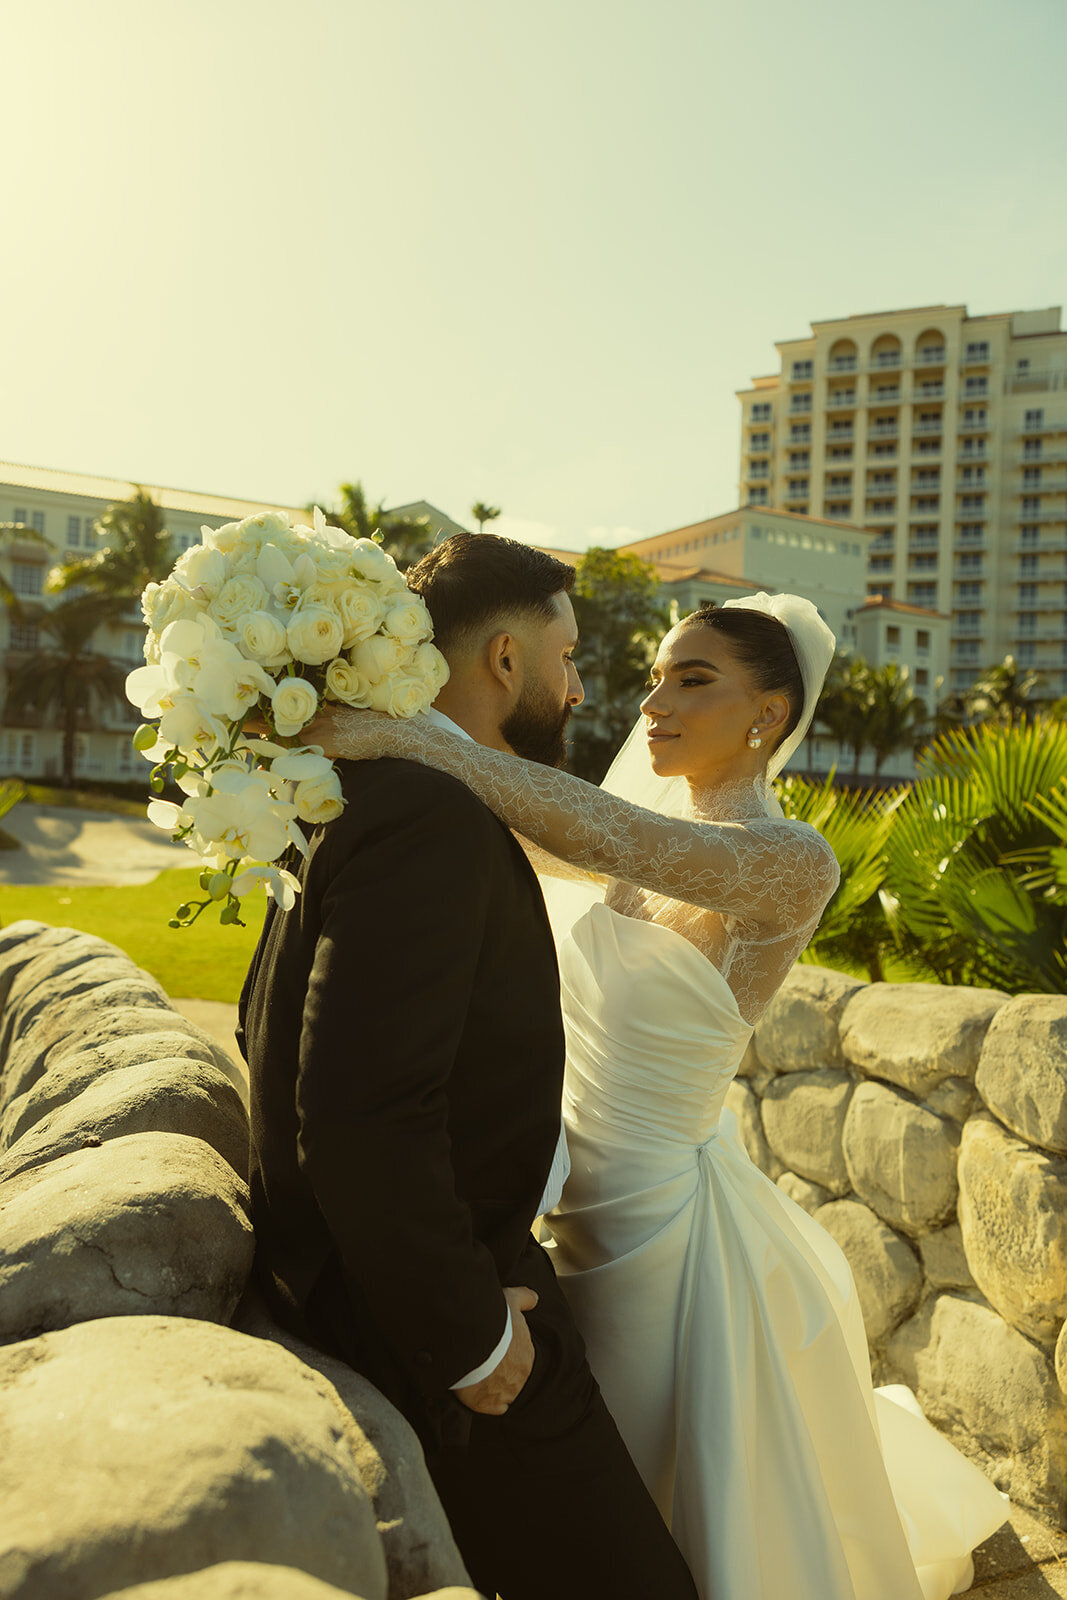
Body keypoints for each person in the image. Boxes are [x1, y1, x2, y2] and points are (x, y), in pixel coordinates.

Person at [322, 587, 1009, 1600]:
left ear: (766, 714)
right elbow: (536, 825)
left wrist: (403, 729)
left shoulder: (784, 859)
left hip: (663, 1219)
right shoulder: (639, 825)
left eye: (692, 679)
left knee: (647, 1461)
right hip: (564, 1190)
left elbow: (588, 830)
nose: (653, 702)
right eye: (653, 675)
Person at [238, 533, 700, 1600]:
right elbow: (356, 1115)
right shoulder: (429, 817)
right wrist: (472, 1335)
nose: (580, 684)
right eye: (567, 654)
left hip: (409, 1288)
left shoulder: (353, 790)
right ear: (503, 660)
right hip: (446, 1311)